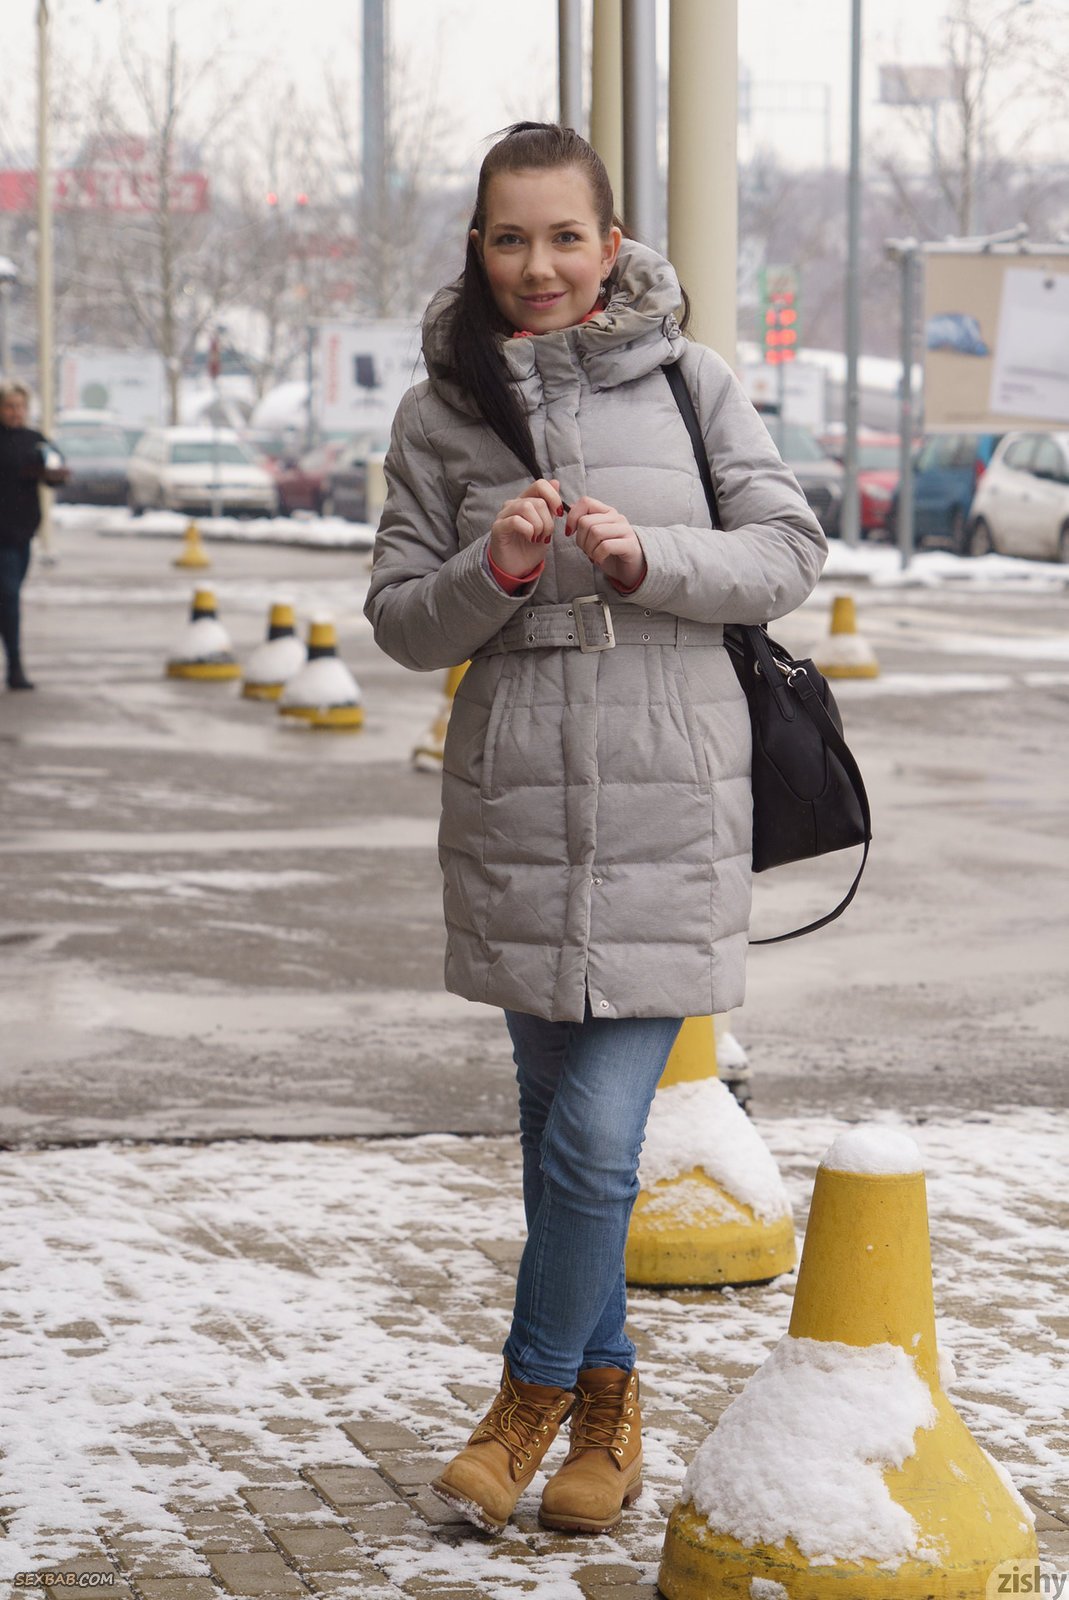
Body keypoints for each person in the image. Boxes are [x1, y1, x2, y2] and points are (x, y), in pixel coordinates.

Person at [364, 122, 826, 1538]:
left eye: (566, 236)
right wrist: (494, 567)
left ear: (610, 245)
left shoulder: (693, 382)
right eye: (511, 238)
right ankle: (609, 1418)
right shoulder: (440, 413)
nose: (539, 264)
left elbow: (789, 550)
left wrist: (650, 557)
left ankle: (523, 1404)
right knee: (554, 1133)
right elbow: (399, 620)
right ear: (478, 249)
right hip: (516, 812)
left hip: (669, 805)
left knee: (590, 1143)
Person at [0, 380, 65, 691]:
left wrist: (53, 471)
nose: (16, 412)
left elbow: (55, 470)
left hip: (23, 532)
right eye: (10, 406)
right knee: (9, 597)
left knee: (9, 597)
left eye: (21, 407)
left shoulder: (34, 440)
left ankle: (14, 664)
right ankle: (15, 667)